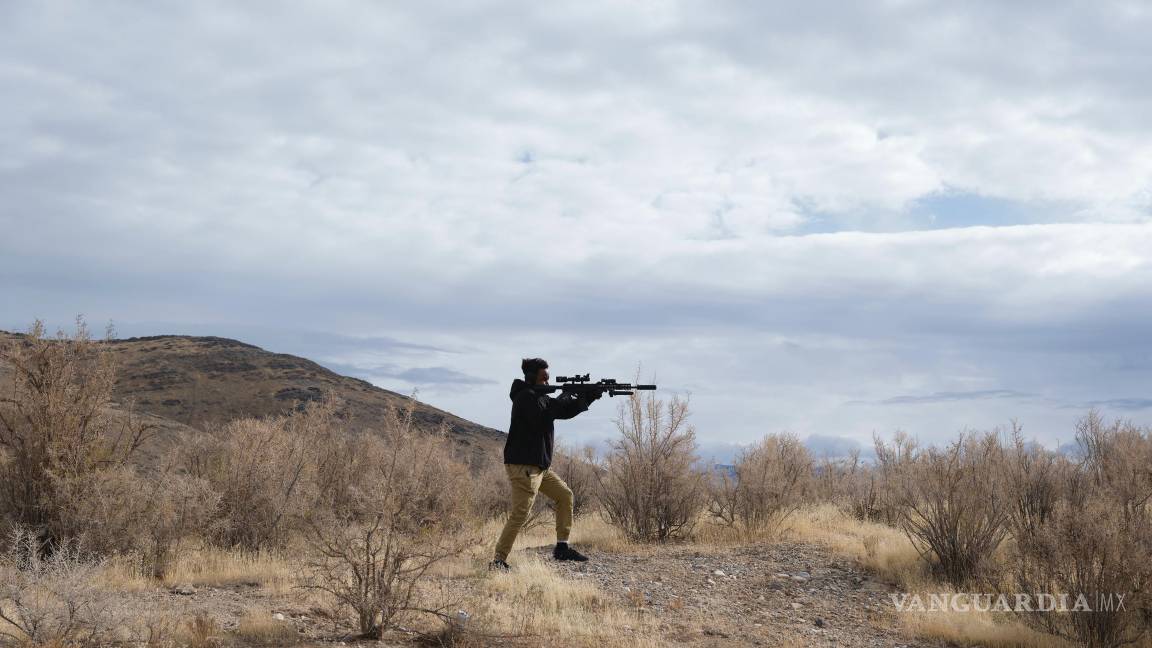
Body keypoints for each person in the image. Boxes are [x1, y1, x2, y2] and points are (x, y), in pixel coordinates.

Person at [490, 357, 599, 570]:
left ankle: (562, 548)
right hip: (525, 467)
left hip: (538, 467)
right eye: (544, 378)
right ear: (532, 378)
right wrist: (564, 397)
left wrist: (588, 399)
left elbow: (561, 412)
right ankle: (498, 560)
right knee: (521, 513)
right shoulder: (525, 398)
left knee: (564, 495)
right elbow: (543, 417)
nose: (548, 383)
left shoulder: (539, 397)